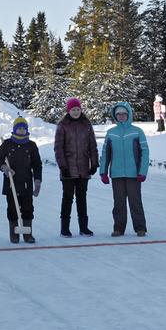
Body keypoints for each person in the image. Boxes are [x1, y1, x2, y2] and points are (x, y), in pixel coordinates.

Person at [99, 101, 149, 237]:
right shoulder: (111, 133)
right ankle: (118, 228)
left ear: (129, 115)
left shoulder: (137, 132)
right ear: (115, 116)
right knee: (119, 203)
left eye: (123, 114)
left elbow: (145, 152)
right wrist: (103, 172)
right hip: (117, 174)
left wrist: (142, 172)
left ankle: (140, 228)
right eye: (118, 114)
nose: (121, 116)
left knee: (135, 202)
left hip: (134, 174)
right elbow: (105, 154)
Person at [54, 98, 99, 237]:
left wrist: (94, 163)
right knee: (67, 198)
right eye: (73, 110)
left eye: (78, 109)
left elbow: (93, 146)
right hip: (68, 168)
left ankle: (83, 227)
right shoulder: (63, 126)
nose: (76, 112)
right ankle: (65, 228)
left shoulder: (86, 125)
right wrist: (63, 166)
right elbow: (58, 148)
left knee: (82, 197)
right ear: (68, 111)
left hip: (83, 168)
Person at [0, 116, 43, 243]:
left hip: (26, 182)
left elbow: (37, 164)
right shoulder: (7, 144)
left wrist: (37, 180)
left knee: (28, 208)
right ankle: (14, 234)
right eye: (19, 129)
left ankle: (28, 235)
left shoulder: (31, 145)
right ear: (14, 130)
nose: (21, 131)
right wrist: (4, 167)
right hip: (11, 182)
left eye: (23, 129)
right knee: (12, 209)